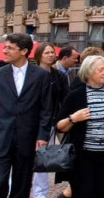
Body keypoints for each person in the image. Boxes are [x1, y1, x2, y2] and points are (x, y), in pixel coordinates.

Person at [0, 32, 55, 198]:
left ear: (24, 51)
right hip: (1, 139)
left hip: (27, 139)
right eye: (5, 47)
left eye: (10, 48)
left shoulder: (41, 76)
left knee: (22, 184)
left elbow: (46, 109)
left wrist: (42, 135)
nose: (5, 51)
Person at [54, 55, 104, 198]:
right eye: (101, 70)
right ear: (89, 72)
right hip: (83, 156)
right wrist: (73, 118)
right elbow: (60, 127)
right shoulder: (76, 95)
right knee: (83, 192)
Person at [32, 44, 70, 198]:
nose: (50, 55)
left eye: (52, 52)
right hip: (30, 121)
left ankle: (39, 193)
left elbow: (65, 99)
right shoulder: (31, 74)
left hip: (51, 122)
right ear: (39, 55)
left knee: (43, 158)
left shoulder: (59, 76)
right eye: (47, 52)